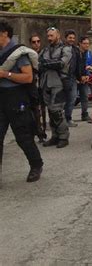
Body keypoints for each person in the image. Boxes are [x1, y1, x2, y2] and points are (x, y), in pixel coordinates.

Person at [0, 21, 44, 183]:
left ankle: (36, 164)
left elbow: (28, 77)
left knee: (23, 136)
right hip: (1, 97)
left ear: (4, 33)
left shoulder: (19, 53)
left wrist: (5, 75)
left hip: (16, 98)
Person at [39, 26, 73, 148]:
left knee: (57, 111)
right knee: (50, 111)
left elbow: (61, 63)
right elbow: (39, 63)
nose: (49, 38)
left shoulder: (66, 49)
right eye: (48, 36)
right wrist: (48, 63)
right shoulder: (45, 49)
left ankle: (64, 136)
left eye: (51, 35)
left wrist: (46, 63)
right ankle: (55, 136)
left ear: (58, 35)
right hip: (45, 83)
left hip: (59, 83)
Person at [63, 30, 82, 127]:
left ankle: (68, 118)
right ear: (65, 38)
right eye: (70, 38)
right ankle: (61, 119)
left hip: (72, 78)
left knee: (72, 98)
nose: (72, 40)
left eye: (73, 38)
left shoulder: (76, 49)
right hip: (62, 78)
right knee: (62, 99)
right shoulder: (61, 48)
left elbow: (79, 64)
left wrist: (79, 76)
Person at [78, 36, 92, 121]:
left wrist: (88, 75)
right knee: (72, 98)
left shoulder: (89, 53)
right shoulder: (76, 52)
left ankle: (84, 114)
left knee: (85, 96)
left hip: (85, 77)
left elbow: (89, 65)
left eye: (88, 43)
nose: (87, 45)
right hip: (77, 77)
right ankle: (67, 117)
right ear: (80, 44)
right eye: (84, 43)